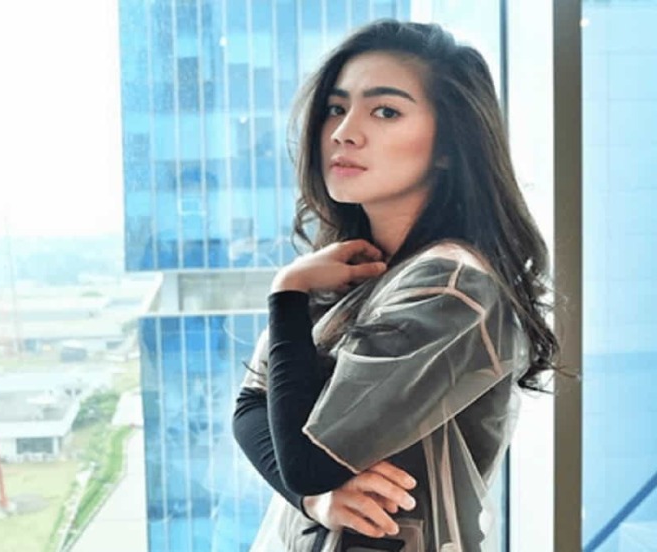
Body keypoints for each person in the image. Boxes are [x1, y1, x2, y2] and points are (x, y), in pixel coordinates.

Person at [232, 20, 560, 552]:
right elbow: (250, 408)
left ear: (449, 146)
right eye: (336, 108)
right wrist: (316, 501)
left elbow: (307, 462)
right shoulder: (346, 272)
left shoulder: (451, 288)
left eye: (385, 111)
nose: (344, 132)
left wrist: (287, 293)